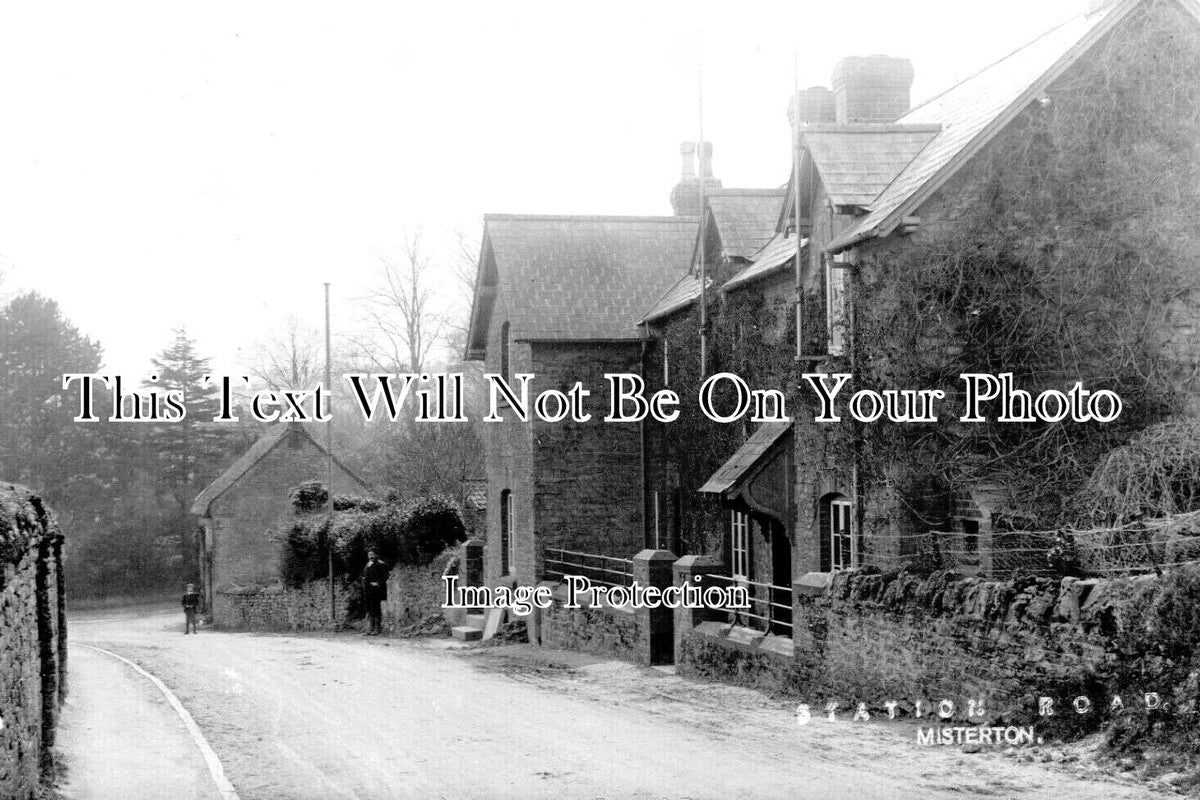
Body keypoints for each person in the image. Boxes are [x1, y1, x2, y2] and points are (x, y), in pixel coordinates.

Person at [362, 549, 390, 636]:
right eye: (369, 555)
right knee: (369, 609)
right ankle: (370, 629)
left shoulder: (381, 564)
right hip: (368, 590)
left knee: (376, 609)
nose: (370, 556)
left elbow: (385, 576)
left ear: (376, 555)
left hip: (377, 590)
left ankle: (377, 629)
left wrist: (378, 583)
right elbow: (365, 576)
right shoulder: (368, 565)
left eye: (372, 554)